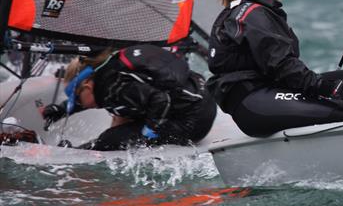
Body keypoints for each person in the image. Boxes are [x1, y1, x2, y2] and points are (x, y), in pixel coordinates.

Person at [207, 0, 343, 137]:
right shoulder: (254, 15)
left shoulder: (253, 10)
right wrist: (323, 87)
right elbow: (282, 65)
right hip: (253, 103)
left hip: (266, 92)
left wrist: (326, 86)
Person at [40, 45, 217, 151]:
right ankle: (84, 149)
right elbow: (85, 101)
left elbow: (161, 99)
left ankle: (78, 154)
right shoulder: (108, 76)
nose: (75, 103)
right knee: (120, 119)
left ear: (87, 84)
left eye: (74, 97)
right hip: (201, 101)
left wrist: (148, 133)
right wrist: (61, 110)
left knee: (110, 140)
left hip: (193, 121)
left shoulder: (116, 87)